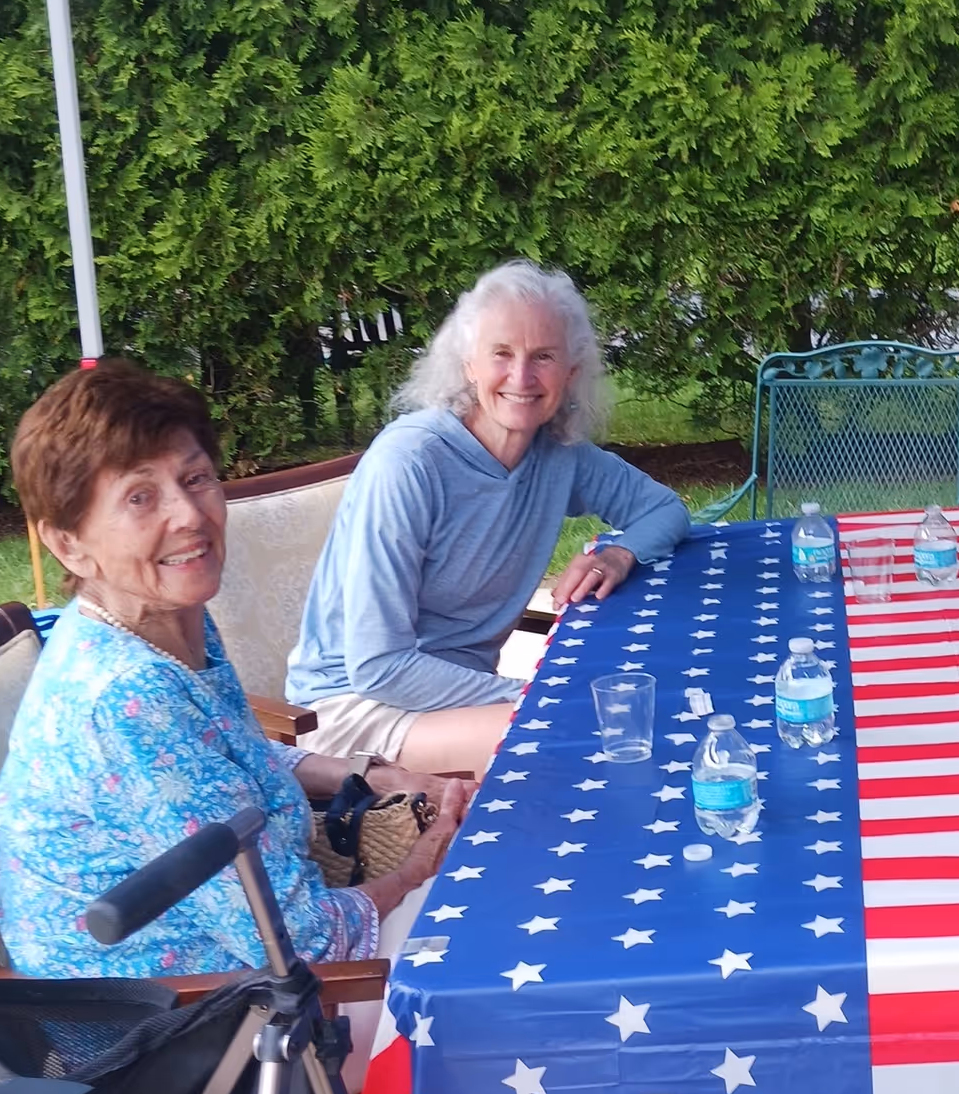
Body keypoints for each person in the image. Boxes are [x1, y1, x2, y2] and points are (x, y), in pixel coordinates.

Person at [0, 362, 467, 980]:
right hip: (187, 1023)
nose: (189, 514)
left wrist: (375, 774)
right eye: (141, 497)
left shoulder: (165, 619)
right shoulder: (124, 700)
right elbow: (307, 945)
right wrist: (424, 863)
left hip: (250, 962)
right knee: (498, 960)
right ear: (68, 543)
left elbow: (228, 756)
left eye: (195, 478)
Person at [287, 261, 689, 776]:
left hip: (461, 697)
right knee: (585, 732)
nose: (521, 377)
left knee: (640, 702)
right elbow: (377, 666)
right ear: (468, 364)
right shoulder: (410, 462)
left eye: (543, 356)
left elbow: (664, 508)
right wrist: (534, 693)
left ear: (570, 374)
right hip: (353, 709)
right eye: (502, 353)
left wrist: (617, 553)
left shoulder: (558, 455)